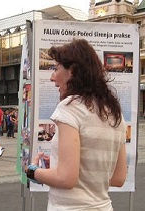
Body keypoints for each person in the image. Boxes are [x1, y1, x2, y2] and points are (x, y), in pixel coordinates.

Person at [27, 39, 127, 210]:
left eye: (56, 68)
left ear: (71, 71)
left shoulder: (70, 107)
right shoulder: (113, 112)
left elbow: (66, 179)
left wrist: (33, 171)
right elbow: (118, 178)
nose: (52, 77)